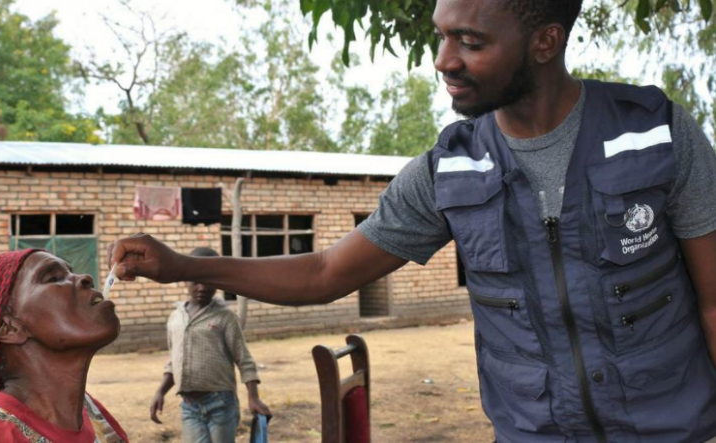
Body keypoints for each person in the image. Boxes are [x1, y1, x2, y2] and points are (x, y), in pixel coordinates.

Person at [108, 0, 716, 441]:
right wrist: (182, 265)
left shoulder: (655, 134)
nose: (443, 60)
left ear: (545, 42)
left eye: (471, 42)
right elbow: (324, 272)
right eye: (441, 35)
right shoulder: (447, 172)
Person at [0, 249, 128, 442]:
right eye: (54, 278)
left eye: (71, 272)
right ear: (10, 328)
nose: (86, 278)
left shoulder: (89, 412)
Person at [148, 247, 271, 442]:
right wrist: (160, 392)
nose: (202, 288)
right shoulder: (176, 318)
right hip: (189, 406)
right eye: (196, 281)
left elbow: (244, 359)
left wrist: (253, 397)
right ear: (185, 279)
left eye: (209, 282)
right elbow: (174, 361)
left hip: (220, 404)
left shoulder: (225, 317)